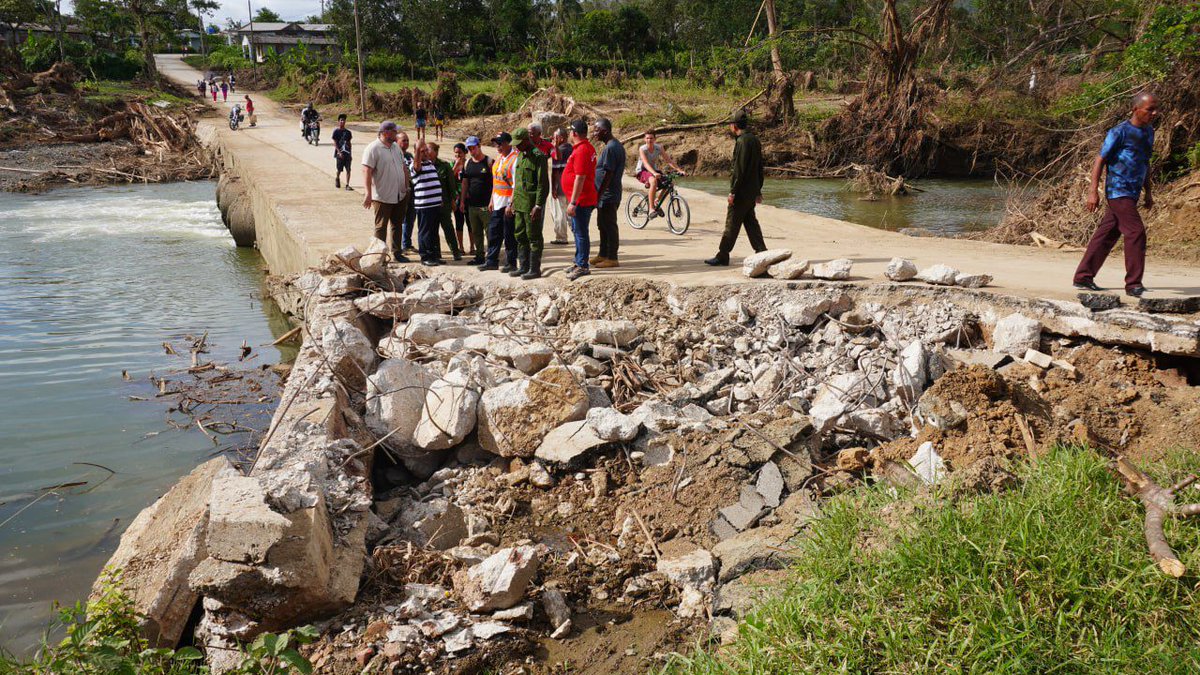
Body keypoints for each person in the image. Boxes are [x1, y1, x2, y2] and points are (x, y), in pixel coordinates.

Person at [1073, 92, 1159, 297]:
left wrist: (1148, 192)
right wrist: (1092, 192)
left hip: (1133, 192)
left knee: (1107, 234)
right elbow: (1099, 160)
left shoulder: (1148, 132)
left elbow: (1144, 163)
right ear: (1135, 109)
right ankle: (1133, 284)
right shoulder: (1119, 132)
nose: (1155, 113)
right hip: (1118, 190)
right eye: (1150, 109)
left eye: (1156, 109)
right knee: (1135, 232)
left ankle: (1083, 277)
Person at [706, 109, 765, 266]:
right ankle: (762, 251)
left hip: (741, 193)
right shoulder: (754, 140)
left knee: (732, 223)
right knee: (750, 222)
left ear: (734, 126)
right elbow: (760, 167)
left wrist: (733, 191)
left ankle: (722, 255)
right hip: (751, 192)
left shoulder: (742, 142)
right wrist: (758, 190)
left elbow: (739, 170)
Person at [361, 120, 412, 263]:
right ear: (386, 133)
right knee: (380, 227)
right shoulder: (373, 148)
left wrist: (406, 186)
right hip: (382, 196)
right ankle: (379, 256)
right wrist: (368, 194)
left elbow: (403, 167)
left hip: (399, 194)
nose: (397, 134)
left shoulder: (395, 147)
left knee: (397, 224)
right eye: (395, 131)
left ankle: (397, 252)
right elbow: (366, 171)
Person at [508, 127, 550, 279]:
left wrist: (538, 205)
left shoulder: (538, 156)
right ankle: (523, 266)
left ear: (527, 140)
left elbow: (542, 184)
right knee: (520, 235)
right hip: (520, 204)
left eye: (519, 143)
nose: (516, 146)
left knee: (534, 236)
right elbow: (517, 183)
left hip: (532, 205)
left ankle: (534, 269)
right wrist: (512, 202)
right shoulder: (520, 156)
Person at [563, 119, 598, 280]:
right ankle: (578, 261)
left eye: (570, 131)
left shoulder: (582, 150)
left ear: (574, 133)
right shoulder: (584, 148)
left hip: (581, 200)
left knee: (581, 232)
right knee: (578, 231)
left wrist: (573, 202)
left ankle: (583, 265)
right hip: (581, 198)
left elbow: (580, 178)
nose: (569, 134)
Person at [481, 132, 519, 272]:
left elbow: (516, 185)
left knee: (509, 235)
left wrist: (511, 204)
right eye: (496, 143)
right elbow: (495, 182)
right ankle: (491, 261)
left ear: (508, 143)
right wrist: (491, 199)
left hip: (507, 203)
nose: (497, 146)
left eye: (500, 143)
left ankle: (511, 263)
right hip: (497, 202)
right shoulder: (499, 158)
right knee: (494, 233)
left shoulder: (514, 159)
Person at [593, 118, 626, 269]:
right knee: (602, 224)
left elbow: (608, 173)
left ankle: (612, 257)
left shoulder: (611, 148)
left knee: (609, 225)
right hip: (606, 195)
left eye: (596, 130)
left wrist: (599, 194)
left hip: (608, 195)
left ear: (605, 131)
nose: (594, 133)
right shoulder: (611, 146)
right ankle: (603, 253)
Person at [410, 141, 446, 266]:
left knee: (433, 232)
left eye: (426, 150)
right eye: (422, 151)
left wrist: (439, 198)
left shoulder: (430, 163)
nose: (425, 153)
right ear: (416, 153)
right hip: (424, 205)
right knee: (425, 231)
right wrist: (418, 150)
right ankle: (425, 256)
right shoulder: (414, 165)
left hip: (435, 204)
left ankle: (434, 255)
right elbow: (417, 166)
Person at [636, 131, 686, 217]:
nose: (649, 140)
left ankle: (657, 200)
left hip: (654, 170)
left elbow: (668, 160)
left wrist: (679, 170)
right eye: (647, 138)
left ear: (655, 139)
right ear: (644, 139)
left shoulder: (659, 147)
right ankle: (651, 209)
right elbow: (646, 163)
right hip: (642, 170)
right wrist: (654, 173)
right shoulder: (642, 149)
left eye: (651, 138)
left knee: (670, 183)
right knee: (653, 181)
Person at [460, 136, 493, 266]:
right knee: (476, 233)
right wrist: (462, 201)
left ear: (479, 146)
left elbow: (496, 183)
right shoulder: (468, 163)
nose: (472, 150)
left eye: (474, 147)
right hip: (472, 205)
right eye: (469, 148)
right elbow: (465, 183)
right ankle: (479, 256)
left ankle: (491, 257)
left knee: (490, 232)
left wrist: (492, 201)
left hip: (486, 205)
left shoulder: (489, 162)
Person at [429, 142, 463, 261]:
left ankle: (455, 251)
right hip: (431, 203)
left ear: (435, 152)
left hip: (444, 203)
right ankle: (437, 254)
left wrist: (453, 200)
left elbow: (451, 185)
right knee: (433, 229)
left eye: (429, 150)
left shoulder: (444, 166)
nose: (427, 152)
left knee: (448, 228)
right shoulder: (425, 165)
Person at [548, 128, 571, 245]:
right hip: (570, 186)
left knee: (559, 212)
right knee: (568, 211)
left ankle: (561, 237)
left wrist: (554, 188)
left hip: (560, 186)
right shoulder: (571, 148)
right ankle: (575, 230)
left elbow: (555, 171)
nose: (552, 139)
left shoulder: (558, 150)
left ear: (561, 138)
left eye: (554, 137)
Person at [397, 132, 417, 254]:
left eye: (407, 141)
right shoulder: (395, 155)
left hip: (413, 191)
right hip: (401, 191)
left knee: (411, 218)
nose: (406, 143)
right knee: (401, 219)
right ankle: (399, 245)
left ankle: (407, 243)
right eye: (403, 140)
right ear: (397, 142)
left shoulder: (410, 155)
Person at [451, 142, 468, 254]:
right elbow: (449, 179)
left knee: (471, 223)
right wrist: (456, 166)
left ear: (465, 153)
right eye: (456, 153)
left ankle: (472, 246)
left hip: (468, 197)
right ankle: (460, 246)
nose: (458, 155)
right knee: (459, 222)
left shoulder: (469, 164)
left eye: (460, 153)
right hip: (457, 197)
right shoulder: (452, 164)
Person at [332, 114, 353, 190]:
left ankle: (347, 185)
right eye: (341, 120)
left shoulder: (348, 132)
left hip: (347, 153)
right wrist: (339, 152)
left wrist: (350, 153)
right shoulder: (336, 132)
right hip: (339, 154)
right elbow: (334, 143)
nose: (342, 121)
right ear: (338, 121)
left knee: (348, 169)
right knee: (339, 170)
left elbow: (349, 143)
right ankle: (337, 178)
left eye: (344, 120)